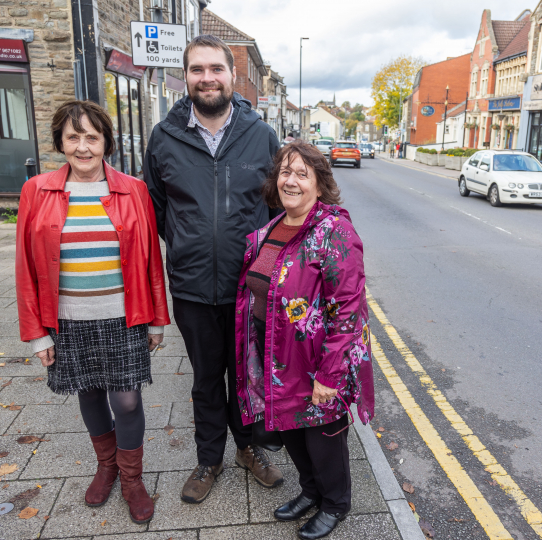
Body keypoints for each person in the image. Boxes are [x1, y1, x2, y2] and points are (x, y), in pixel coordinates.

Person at [144, 34, 284, 505]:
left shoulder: (260, 135)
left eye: (215, 69)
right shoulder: (165, 138)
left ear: (231, 74)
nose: (207, 78)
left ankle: (248, 448)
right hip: (191, 287)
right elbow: (158, 210)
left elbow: (278, 208)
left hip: (250, 288)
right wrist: (190, 244)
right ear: (186, 77)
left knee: (245, 375)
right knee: (206, 378)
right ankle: (209, 458)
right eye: (197, 69)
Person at [16, 100, 170, 524]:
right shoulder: (37, 190)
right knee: (88, 392)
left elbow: (151, 260)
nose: (83, 147)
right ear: (60, 143)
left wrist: (158, 318)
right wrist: (37, 333)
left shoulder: (133, 190)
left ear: (106, 142)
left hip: (123, 316)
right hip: (67, 318)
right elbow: (26, 266)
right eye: (73, 137)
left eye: (92, 137)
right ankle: (107, 467)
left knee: (127, 399)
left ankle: (132, 478)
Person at [235, 141, 375, 539]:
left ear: (319, 184)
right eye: (285, 171)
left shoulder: (335, 232)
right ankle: (311, 491)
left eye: (302, 173)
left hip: (317, 362)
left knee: (323, 439)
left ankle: (335, 503)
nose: (291, 181)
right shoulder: (273, 227)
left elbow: (349, 310)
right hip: (276, 354)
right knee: (292, 431)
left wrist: (330, 376)